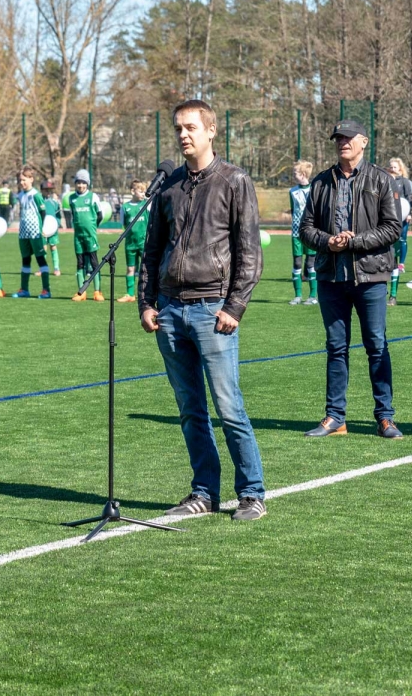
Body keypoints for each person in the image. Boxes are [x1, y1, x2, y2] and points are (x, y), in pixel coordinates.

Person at [138, 98, 267, 521]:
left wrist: (236, 306)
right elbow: (152, 249)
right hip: (170, 313)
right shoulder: (169, 186)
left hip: (214, 311)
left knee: (229, 407)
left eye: (191, 127)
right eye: (178, 128)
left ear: (211, 131)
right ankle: (203, 493)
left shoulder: (234, 181)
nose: (183, 135)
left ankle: (251, 494)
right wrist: (147, 301)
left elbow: (250, 252)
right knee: (191, 411)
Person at [299, 119, 403, 440]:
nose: (342, 143)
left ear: (363, 141)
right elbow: (305, 229)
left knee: (376, 345)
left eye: (347, 138)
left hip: (370, 276)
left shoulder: (381, 180)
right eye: (338, 139)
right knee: (335, 348)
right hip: (332, 277)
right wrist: (328, 242)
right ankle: (335, 418)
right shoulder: (320, 182)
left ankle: (385, 417)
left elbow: (392, 228)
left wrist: (354, 241)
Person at [10, 168, 52, 299]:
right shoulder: (21, 195)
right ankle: (24, 289)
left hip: (36, 233)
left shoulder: (36, 195)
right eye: (20, 180)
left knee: (41, 260)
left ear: (31, 179)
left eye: (24, 179)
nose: (22, 182)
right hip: (23, 233)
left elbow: (44, 213)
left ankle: (46, 290)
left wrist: (45, 230)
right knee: (25, 260)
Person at [69, 168, 104, 302]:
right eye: (78, 182)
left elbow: (99, 215)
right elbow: (73, 215)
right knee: (80, 264)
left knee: (94, 263)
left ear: (87, 184)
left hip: (91, 236)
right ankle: (81, 292)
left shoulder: (93, 197)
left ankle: (97, 291)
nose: (81, 185)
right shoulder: (72, 198)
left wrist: (93, 227)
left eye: (83, 182)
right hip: (78, 237)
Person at [288, 160, 319, 306]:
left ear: (303, 174)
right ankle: (298, 295)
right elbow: (294, 210)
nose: (293, 175)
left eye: (295, 172)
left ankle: (313, 296)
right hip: (296, 233)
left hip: (311, 232)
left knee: (311, 264)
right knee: (297, 263)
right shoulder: (292, 191)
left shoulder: (314, 189)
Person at [386, 157, 412, 305]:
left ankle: (393, 295)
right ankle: (382, 289)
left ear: (400, 168)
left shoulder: (404, 182)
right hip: (386, 222)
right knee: (385, 256)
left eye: (395, 167)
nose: (393, 169)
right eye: (391, 166)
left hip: (401, 221)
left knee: (395, 256)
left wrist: (408, 212)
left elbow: (409, 198)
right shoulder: (384, 181)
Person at [117, 179, 148, 303]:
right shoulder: (125, 207)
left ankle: (146, 294)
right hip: (130, 244)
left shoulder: (147, 204)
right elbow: (123, 224)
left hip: (144, 243)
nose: (143, 194)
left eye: (144, 192)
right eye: (140, 191)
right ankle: (130, 294)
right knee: (130, 269)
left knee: (145, 270)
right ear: (132, 191)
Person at [41, 180, 63, 277]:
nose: (48, 192)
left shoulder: (54, 203)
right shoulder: (39, 201)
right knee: (43, 248)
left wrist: (56, 224)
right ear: (42, 190)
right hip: (42, 228)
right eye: (46, 190)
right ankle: (43, 268)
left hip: (52, 228)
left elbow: (58, 216)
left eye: (50, 190)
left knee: (53, 246)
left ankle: (56, 268)